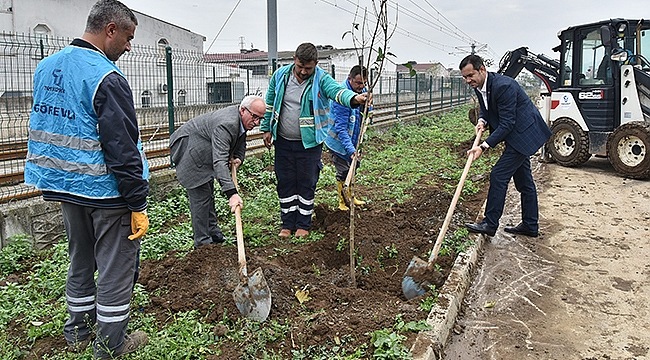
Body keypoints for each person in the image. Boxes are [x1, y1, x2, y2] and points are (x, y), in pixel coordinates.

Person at [24, 0, 149, 358]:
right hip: (106, 193)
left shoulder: (47, 67)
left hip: (64, 187)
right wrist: (137, 202)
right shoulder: (106, 77)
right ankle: (110, 345)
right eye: (127, 37)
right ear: (110, 29)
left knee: (80, 259)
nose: (128, 46)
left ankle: (77, 332)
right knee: (115, 270)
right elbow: (122, 147)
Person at [260, 42, 369, 238]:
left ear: (316, 64)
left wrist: (355, 99)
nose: (302, 71)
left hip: (310, 143)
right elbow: (269, 104)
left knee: (306, 182)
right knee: (285, 181)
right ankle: (287, 224)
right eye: (300, 66)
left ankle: (303, 224)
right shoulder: (280, 76)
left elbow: (338, 92)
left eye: (308, 68)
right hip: (283, 141)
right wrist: (266, 129)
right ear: (294, 59)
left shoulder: (322, 79)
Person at [460, 54, 551, 238]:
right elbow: (486, 109)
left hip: (524, 135)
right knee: (525, 183)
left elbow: (508, 123)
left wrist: (483, 146)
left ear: (482, 70)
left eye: (471, 75)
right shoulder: (480, 86)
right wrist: (482, 120)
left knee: (498, 175)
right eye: (465, 77)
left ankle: (490, 223)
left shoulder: (504, 86)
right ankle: (530, 225)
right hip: (515, 136)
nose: (468, 80)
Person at [170, 95, 265, 248]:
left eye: (260, 119)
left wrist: (239, 158)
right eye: (254, 117)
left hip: (203, 148)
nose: (257, 122)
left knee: (208, 195)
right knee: (200, 198)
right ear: (242, 110)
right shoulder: (227, 124)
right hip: (190, 151)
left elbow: (240, 138)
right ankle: (203, 245)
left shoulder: (241, 120)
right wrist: (232, 194)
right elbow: (219, 162)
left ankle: (214, 235)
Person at [324, 65, 369, 211]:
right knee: (343, 171)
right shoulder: (342, 96)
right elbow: (341, 128)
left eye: (364, 83)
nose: (361, 87)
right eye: (358, 83)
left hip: (353, 139)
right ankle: (342, 202)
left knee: (353, 168)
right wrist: (351, 150)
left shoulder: (362, 92)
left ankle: (351, 196)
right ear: (350, 78)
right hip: (338, 142)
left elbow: (364, 113)